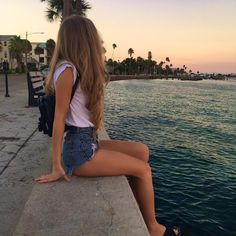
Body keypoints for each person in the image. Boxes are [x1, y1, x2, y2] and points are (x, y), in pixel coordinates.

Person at [34, 15, 181, 236]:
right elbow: (59, 117)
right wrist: (57, 165)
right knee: (143, 170)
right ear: (84, 39)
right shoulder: (67, 71)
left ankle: (141, 209)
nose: (97, 42)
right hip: (79, 151)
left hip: (88, 141)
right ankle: (153, 228)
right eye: (93, 37)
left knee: (142, 151)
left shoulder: (75, 68)